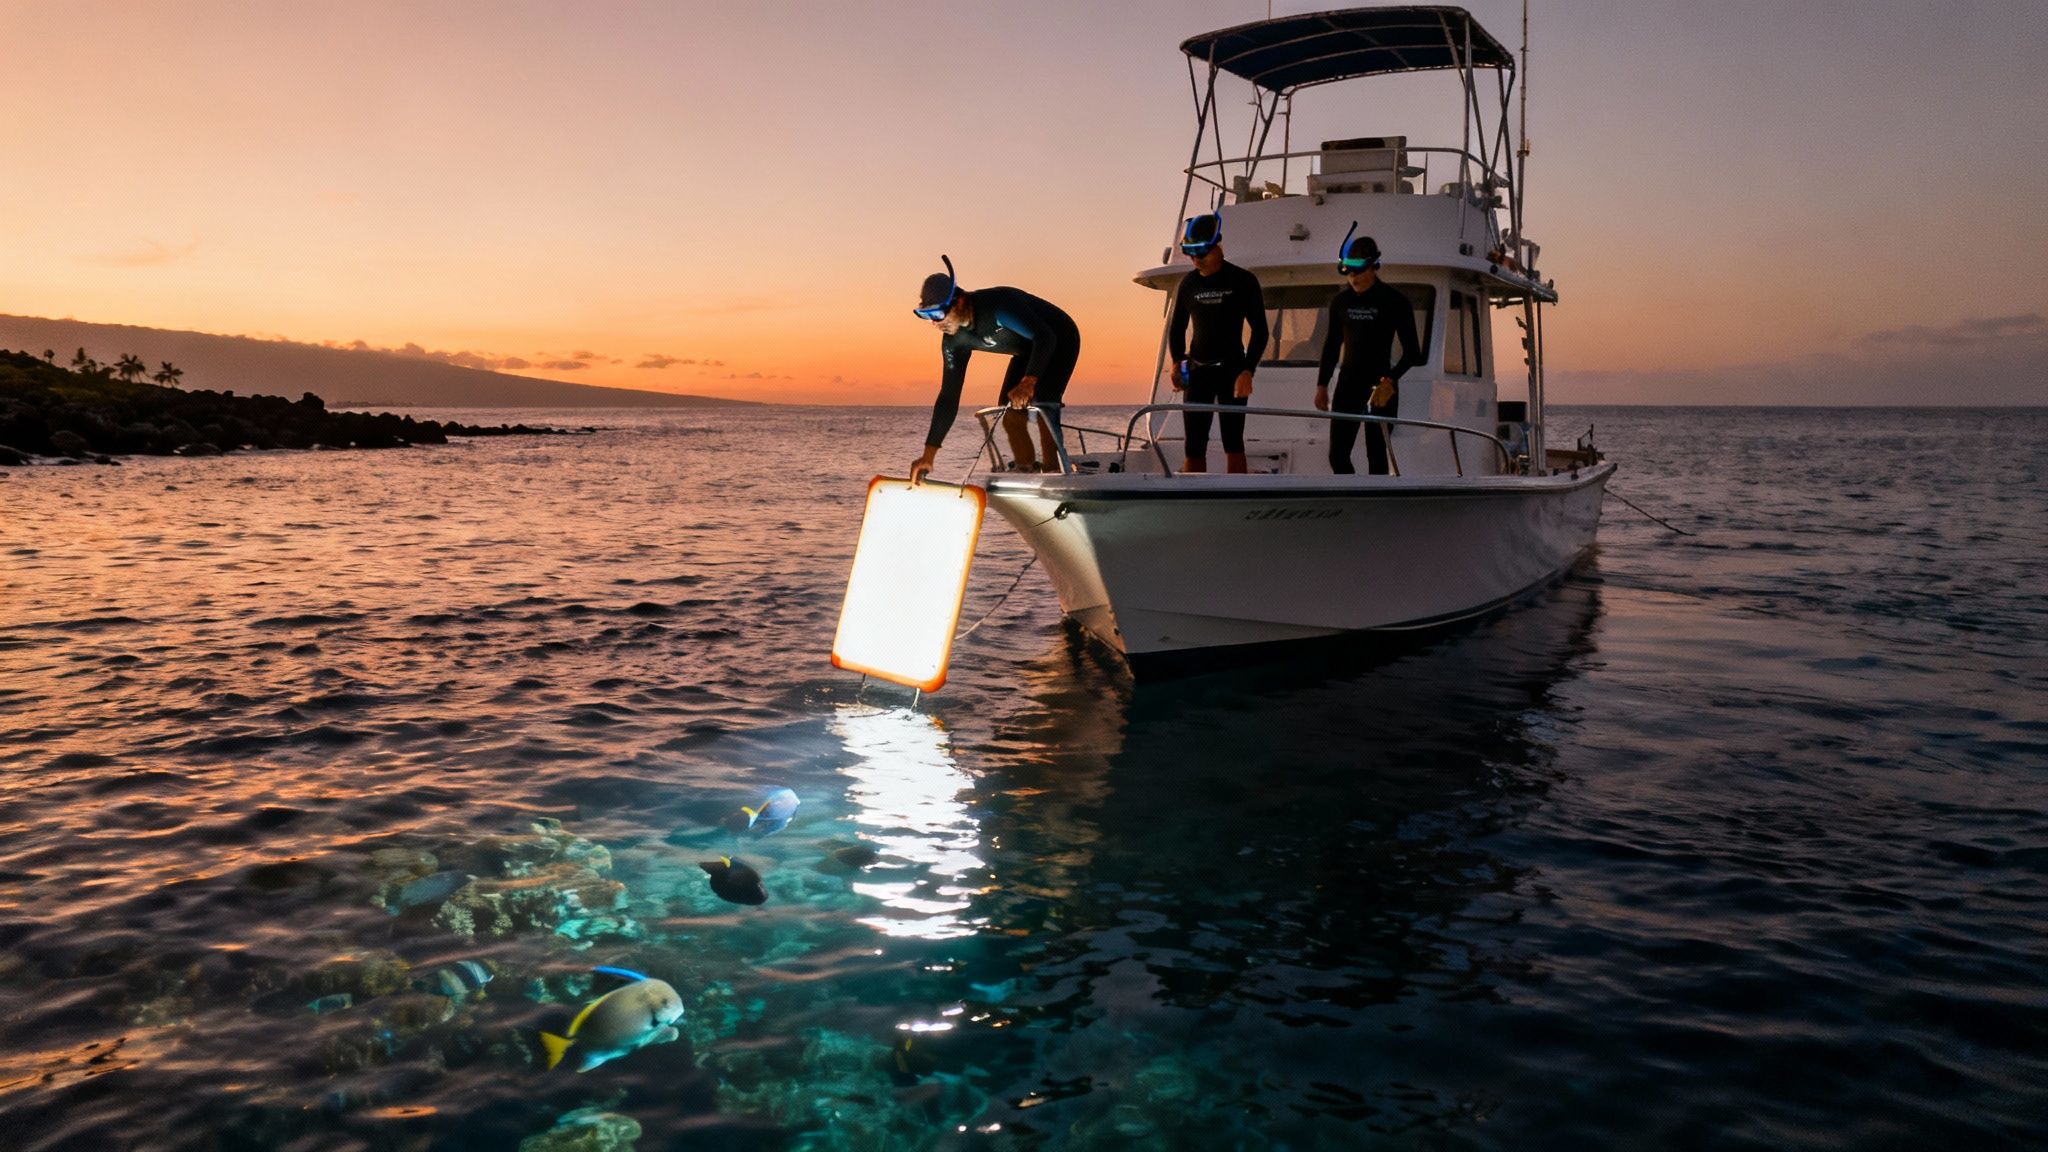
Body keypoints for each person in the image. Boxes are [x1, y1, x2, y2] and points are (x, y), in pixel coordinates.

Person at [908, 256, 1080, 484]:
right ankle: (1025, 468)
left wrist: (1029, 382)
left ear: (958, 301)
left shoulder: (998, 306)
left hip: (1058, 339)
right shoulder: (954, 342)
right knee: (1010, 415)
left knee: (1043, 405)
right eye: (926, 316)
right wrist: (928, 456)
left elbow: (1045, 337)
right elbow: (948, 397)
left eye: (937, 314)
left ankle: (1053, 470)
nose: (934, 324)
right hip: (1027, 350)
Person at [1166, 213, 1268, 474]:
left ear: (1218, 245)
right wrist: (1178, 362)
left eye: (1202, 252)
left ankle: (1237, 498)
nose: (1196, 259)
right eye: (1191, 253)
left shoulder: (1243, 281)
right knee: (1194, 445)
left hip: (1232, 370)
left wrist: (1248, 370)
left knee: (1232, 441)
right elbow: (1176, 328)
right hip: (1198, 371)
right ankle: (1192, 503)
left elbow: (1260, 331)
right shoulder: (1188, 283)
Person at [1315, 228, 1420, 475]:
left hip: (1381, 386)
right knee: (1337, 455)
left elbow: (1412, 351)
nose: (1353, 278)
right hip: (1348, 384)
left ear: (1373, 267)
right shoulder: (1341, 302)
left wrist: (1392, 379)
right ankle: (1351, 500)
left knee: (1376, 453)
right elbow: (1332, 345)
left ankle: (1378, 507)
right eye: (1349, 272)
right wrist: (1321, 385)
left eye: (1359, 272)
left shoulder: (1395, 301)